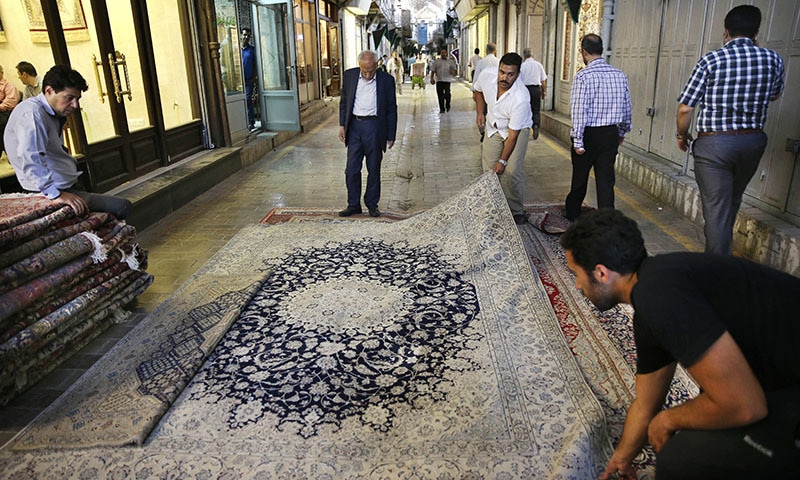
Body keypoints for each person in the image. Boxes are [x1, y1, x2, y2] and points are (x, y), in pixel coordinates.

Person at [560, 208, 800, 480]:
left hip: (786, 390)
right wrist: (622, 457)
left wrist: (668, 420)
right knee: (704, 415)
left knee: (682, 457)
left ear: (602, 273)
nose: (578, 286)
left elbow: (744, 404)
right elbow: (646, 403)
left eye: (576, 274)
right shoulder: (653, 289)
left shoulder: (660, 299)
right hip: (778, 376)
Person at [676, 5, 784, 255]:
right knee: (731, 201)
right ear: (757, 32)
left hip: (714, 145)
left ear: (726, 31)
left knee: (715, 211)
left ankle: (717, 274)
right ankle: (721, 258)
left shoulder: (711, 60)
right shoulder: (773, 59)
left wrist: (682, 135)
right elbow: (775, 94)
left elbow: (685, 108)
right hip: (752, 142)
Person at [4, 65, 131, 219]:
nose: (75, 105)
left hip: (65, 183)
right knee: (122, 206)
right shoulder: (32, 114)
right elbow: (30, 158)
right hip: (51, 189)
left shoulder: (49, 112)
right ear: (49, 91)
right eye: (69, 98)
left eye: (77, 99)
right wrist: (55, 194)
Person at [565, 34, 631, 221]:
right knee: (606, 179)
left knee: (580, 176)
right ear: (601, 50)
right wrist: (622, 131)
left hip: (588, 134)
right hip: (610, 133)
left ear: (583, 52)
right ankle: (607, 219)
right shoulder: (619, 75)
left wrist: (578, 140)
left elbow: (579, 110)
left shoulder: (583, 76)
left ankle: (573, 214)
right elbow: (627, 107)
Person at [474, 52, 532, 225]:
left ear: (518, 74)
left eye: (510, 74)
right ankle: (492, 208)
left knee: (512, 171)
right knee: (490, 171)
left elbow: (512, 137)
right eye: (502, 72)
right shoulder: (487, 76)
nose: (504, 78)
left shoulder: (521, 97)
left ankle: (516, 211)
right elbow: (477, 90)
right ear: (498, 69)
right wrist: (480, 112)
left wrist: (503, 161)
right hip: (493, 127)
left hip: (517, 130)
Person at [338, 50, 397, 218]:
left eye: (371, 70)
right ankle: (353, 204)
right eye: (364, 71)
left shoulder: (387, 80)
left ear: (377, 65)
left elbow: (392, 109)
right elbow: (343, 102)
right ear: (359, 66)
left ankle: (372, 204)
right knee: (351, 169)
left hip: (375, 127)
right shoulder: (349, 76)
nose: (368, 74)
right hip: (355, 126)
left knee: (373, 169)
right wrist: (342, 125)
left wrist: (391, 134)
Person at [472, 43, 499, 142]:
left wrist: (474, 92)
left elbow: (476, 78)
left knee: (482, 112)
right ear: (495, 51)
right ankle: (491, 130)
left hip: (482, 91)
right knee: (492, 110)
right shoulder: (499, 61)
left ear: (486, 51)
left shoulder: (481, 62)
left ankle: (483, 131)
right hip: (494, 91)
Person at [519, 48, 547, 140]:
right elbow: (543, 80)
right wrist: (543, 91)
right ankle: (536, 125)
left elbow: (519, 81)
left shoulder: (522, 66)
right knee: (536, 110)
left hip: (525, 90)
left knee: (525, 110)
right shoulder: (538, 65)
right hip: (536, 89)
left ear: (524, 56)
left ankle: (525, 129)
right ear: (532, 55)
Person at [0, 64, 20, 154]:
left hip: (4, 112)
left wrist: (1, 107)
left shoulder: (8, 86)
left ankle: (6, 151)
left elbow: (11, 101)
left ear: (2, 73)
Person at [240, 27, 258, 131]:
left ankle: (251, 122)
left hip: (248, 80)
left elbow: (255, 64)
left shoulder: (251, 50)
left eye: (248, 36)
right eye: (245, 35)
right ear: (240, 35)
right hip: (238, 81)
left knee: (247, 100)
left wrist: (254, 77)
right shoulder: (236, 49)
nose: (246, 37)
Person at [430, 49, 456, 113]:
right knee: (440, 95)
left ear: (446, 53)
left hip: (447, 80)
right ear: (440, 53)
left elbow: (454, 70)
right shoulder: (437, 62)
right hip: (439, 80)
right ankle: (442, 109)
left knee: (447, 94)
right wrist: (431, 78)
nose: (443, 54)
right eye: (442, 53)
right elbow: (433, 70)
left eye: (444, 53)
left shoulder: (450, 61)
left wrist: (453, 72)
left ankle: (447, 105)